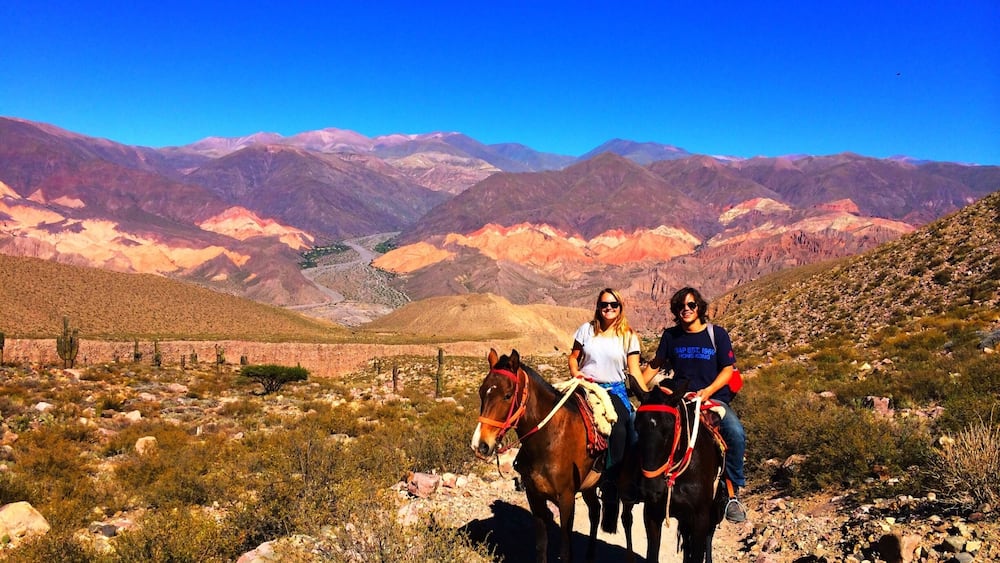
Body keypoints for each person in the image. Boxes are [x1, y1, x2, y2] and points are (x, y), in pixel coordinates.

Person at [642, 287, 748, 523]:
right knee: (647, 426)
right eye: (681, 306)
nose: (686, 310)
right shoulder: (671, 336)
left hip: (712, 398)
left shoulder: (716, 334)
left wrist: (708, 391)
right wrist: (638, 386)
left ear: (700, 307)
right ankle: (640, 480)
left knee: (736, 433)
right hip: (679, 398)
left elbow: (728, 369)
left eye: (691, 305)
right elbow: (655, 364)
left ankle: (731, 493)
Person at [568, 288, 644, 482]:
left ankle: (613, 477)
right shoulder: (587, 329)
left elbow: (634, 370)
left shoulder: (628, 336)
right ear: (598, 307)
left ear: (620, 307)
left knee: (620, 428)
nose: (608, 308)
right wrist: (576, 373)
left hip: (614, 389)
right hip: (585, 385)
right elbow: (574, 357)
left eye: (613, 304)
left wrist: (647, 396)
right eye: (604, 304)